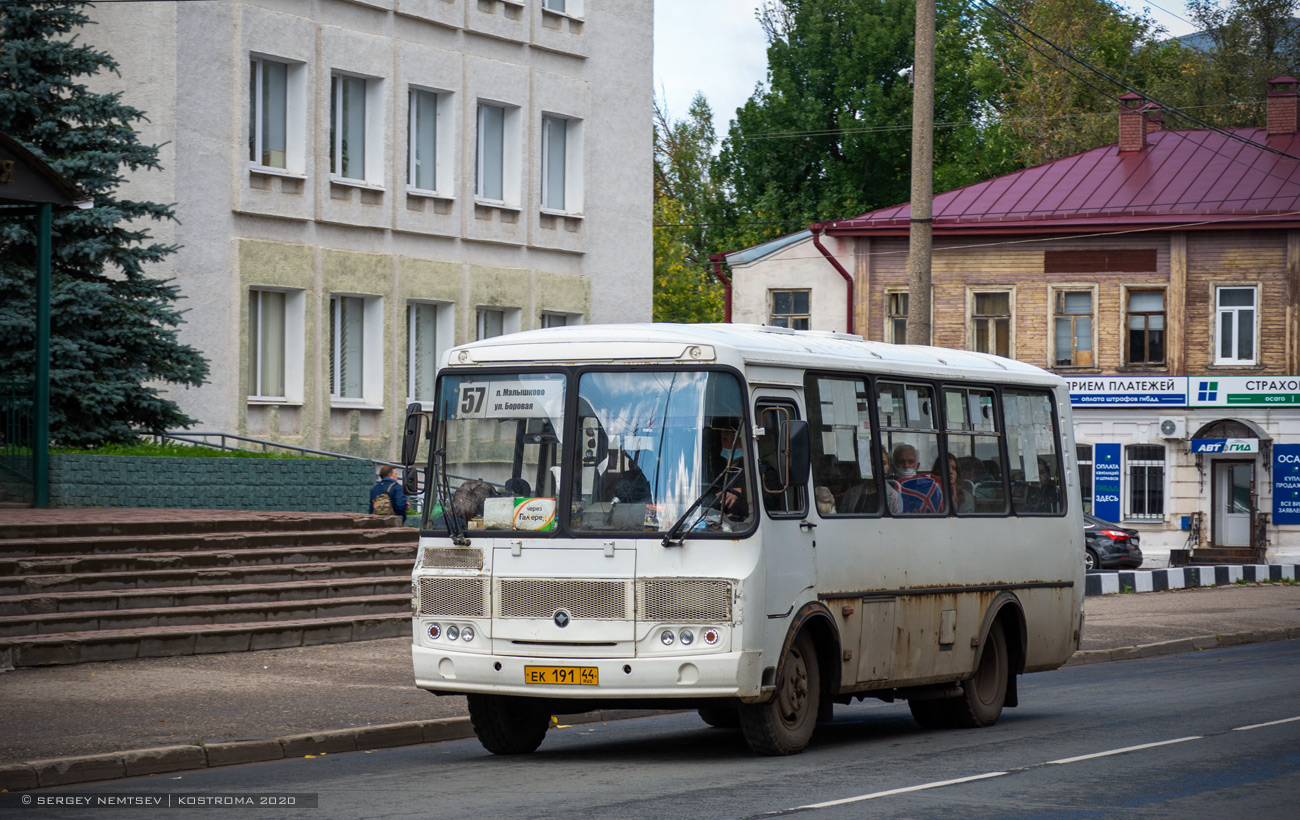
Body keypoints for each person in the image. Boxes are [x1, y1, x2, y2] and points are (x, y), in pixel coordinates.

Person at [886, 443, 943, 515]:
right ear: (893, 466)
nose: (906, 466)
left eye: (910, 462)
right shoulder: (889, 486)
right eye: (901, 462)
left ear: (917, 466)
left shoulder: (926, 487)